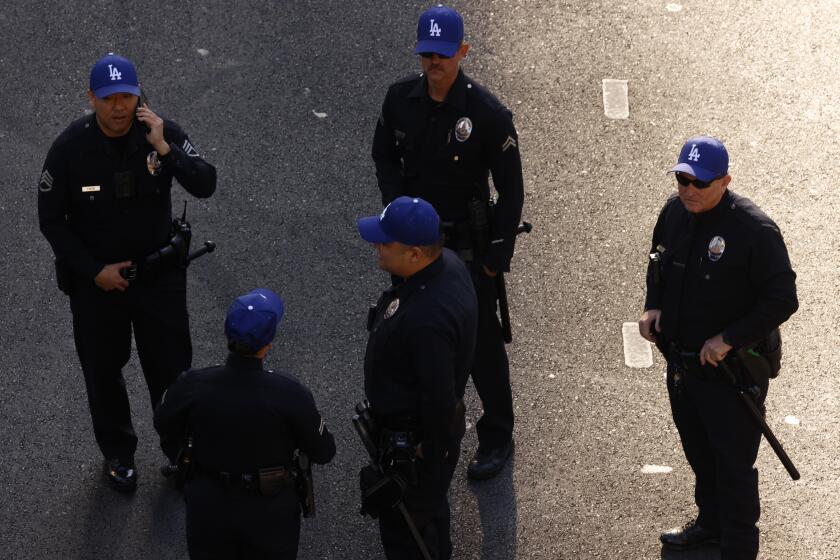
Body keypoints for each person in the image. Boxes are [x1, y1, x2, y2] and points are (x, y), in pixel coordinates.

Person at [37, 53, 217, 491]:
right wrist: (93, 270)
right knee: (103, 373)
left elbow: (205, 182)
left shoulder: (161, 132)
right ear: (91, 99)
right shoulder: (68, 149)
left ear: (138, 95)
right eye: (108, 98)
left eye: (126, 96)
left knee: (172, 371)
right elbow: (50, 219)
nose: (118, 107)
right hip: (99, 288)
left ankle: (180, 450)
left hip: (159, 280)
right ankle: (119, 455)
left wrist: (164, 148)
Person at [372, 4, 524, 481]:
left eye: (442, 54)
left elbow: (512, 189)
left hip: (465, 250)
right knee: (409, 334)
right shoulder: (399, 100)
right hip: (413, 249)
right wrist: (399, 212)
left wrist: (496, 259)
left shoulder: (487, 113)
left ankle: (497, 435)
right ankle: (418, 429)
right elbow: (384, 157)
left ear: (462, 51)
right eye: (426, 54)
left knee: (480, 348)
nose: (433, 62)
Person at [638, 136, 798, 560]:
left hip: (733, 373)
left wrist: (728, 339)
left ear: (725, 181)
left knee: (733, 466)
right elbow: (657, 261)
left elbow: (783, 298)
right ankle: (710, 525)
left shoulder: (754, 231)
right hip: (683, 365)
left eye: (699, 182)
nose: (688, 189)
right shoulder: (675, 213)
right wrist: (653, 305)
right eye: (682, 179)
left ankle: (739, 547)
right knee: (699, 452)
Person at [154, 288, 336, 559]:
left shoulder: (193, 385)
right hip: (270, 510)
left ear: (228, 335)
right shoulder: (290, 393)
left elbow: (164, 423)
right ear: (268, 343)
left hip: (209, 504)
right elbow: (324, 451)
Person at [358, 196, 478, 559]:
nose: (377, 247)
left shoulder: (426, 320)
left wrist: (428, 449)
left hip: (413, 443)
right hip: (422, 436)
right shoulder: (449, 265)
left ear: (414, 253)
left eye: (386, 242)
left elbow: (439, 396)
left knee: (408, 532)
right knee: (430, 518)